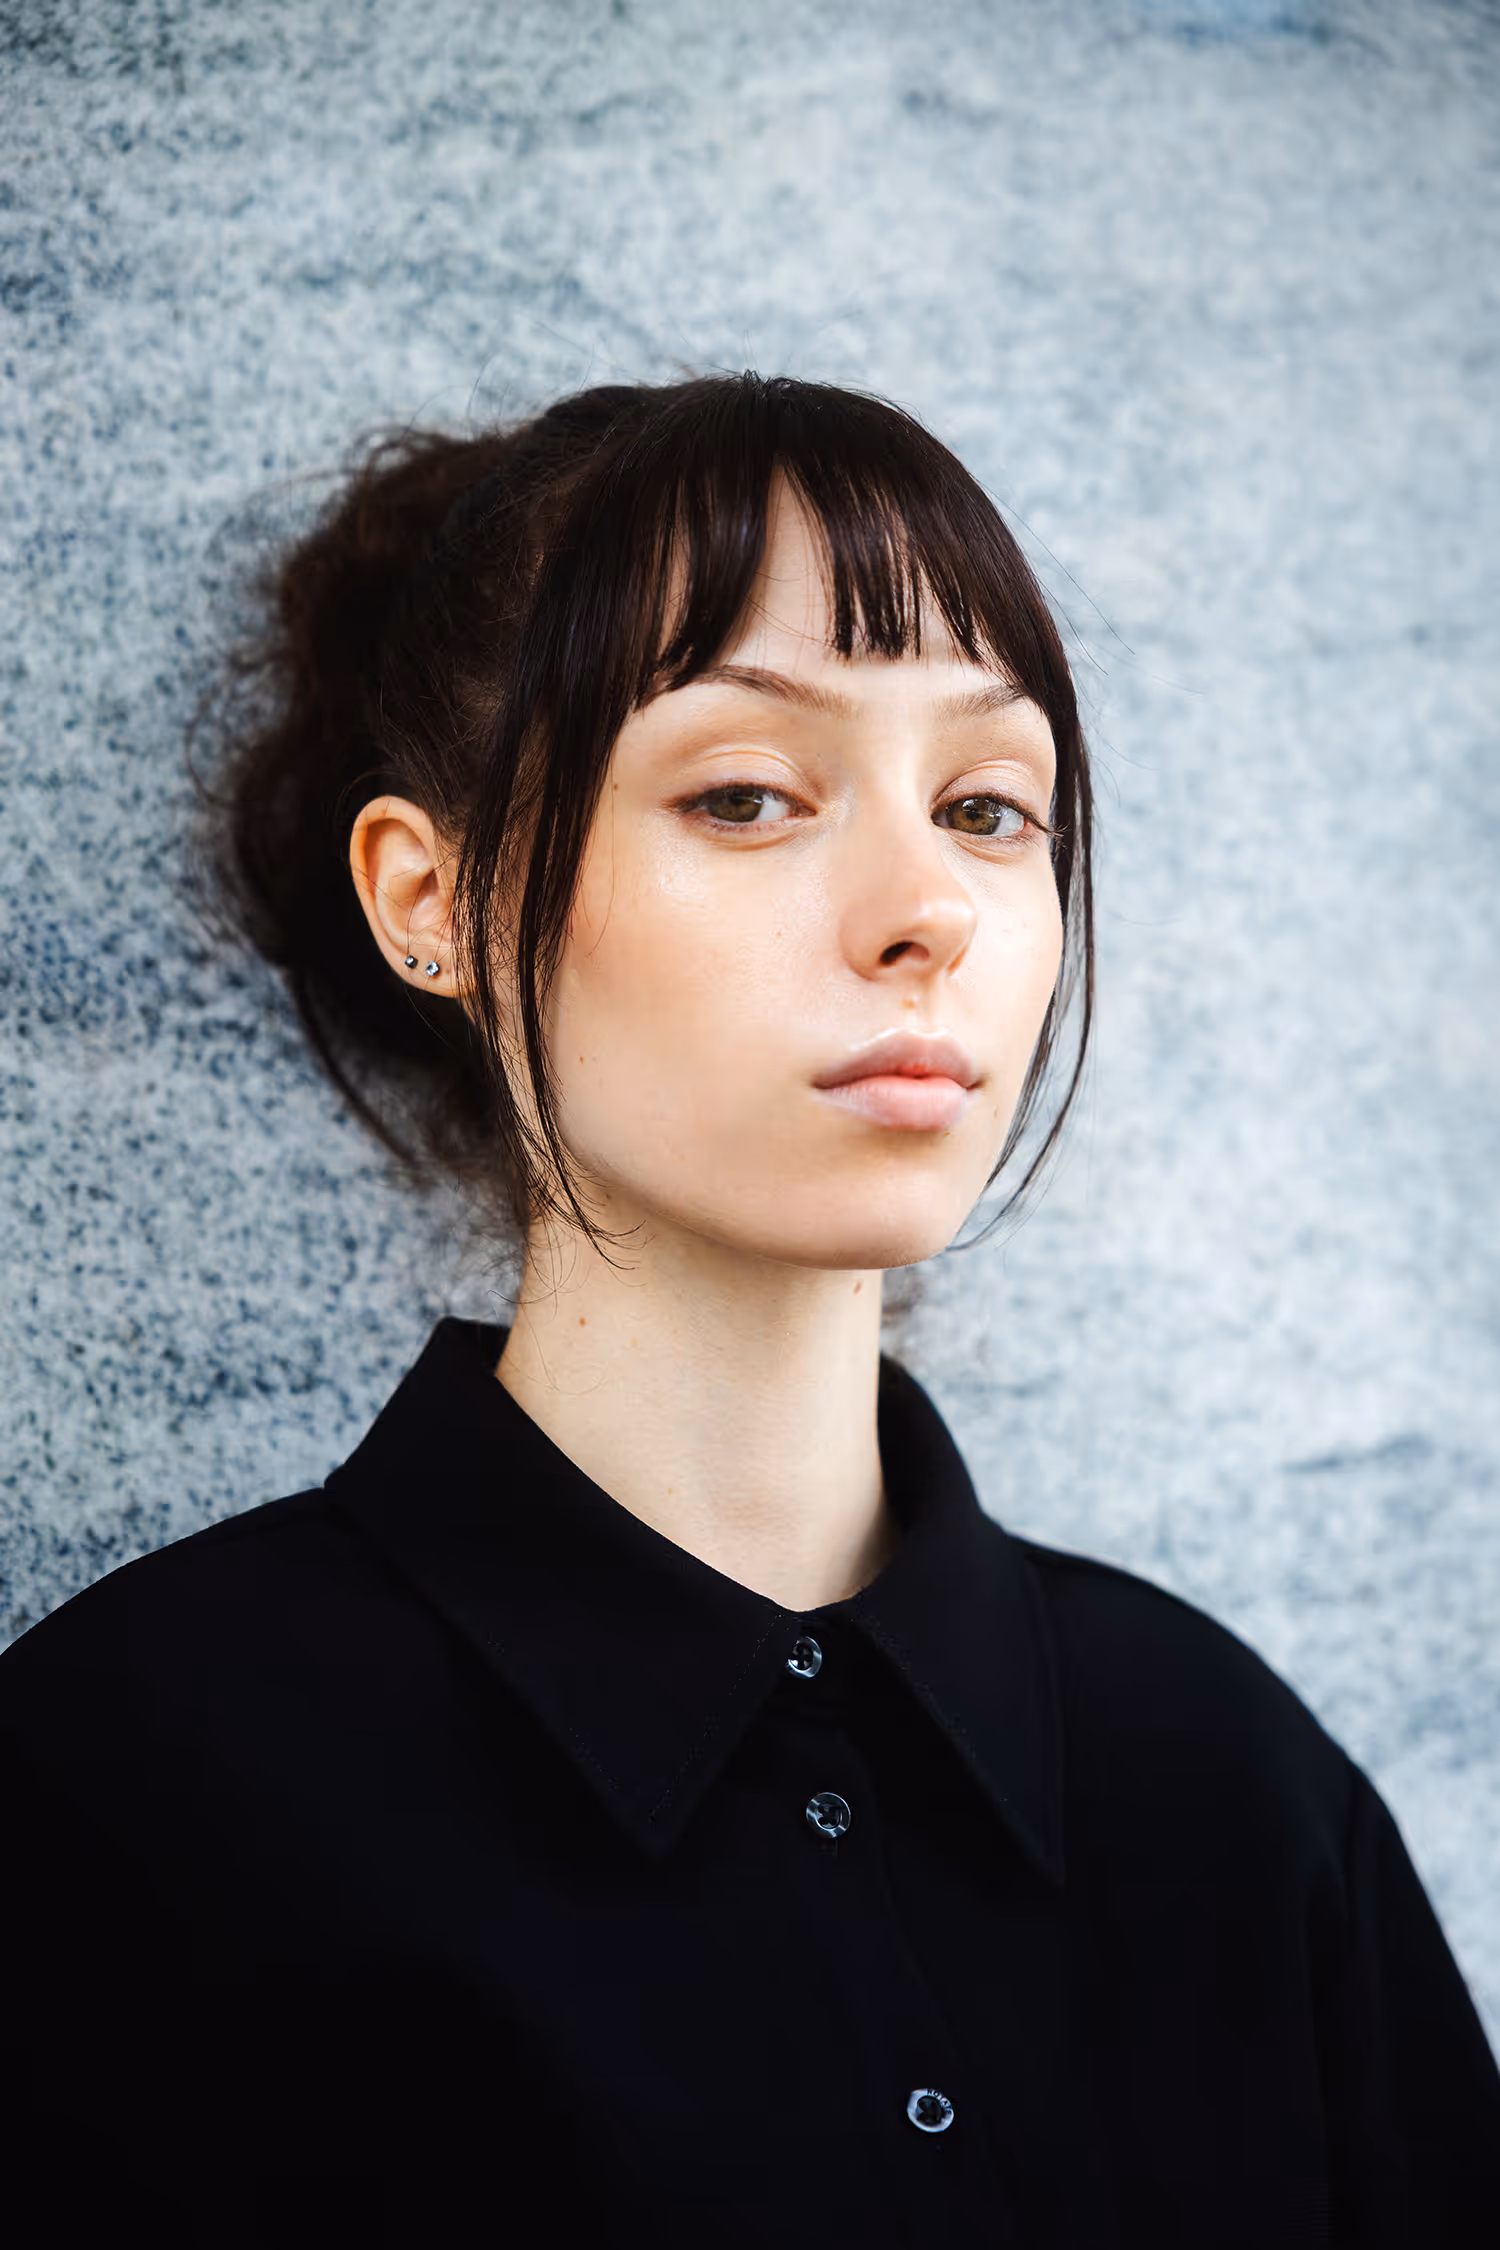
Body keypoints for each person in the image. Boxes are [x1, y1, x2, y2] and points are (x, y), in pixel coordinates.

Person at [1, 374, 1495, 2248]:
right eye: (747, 792)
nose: (925, 907)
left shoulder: (1237, 1793)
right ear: (429, 899)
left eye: (987, 804)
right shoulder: (132, 1783)